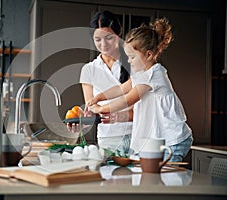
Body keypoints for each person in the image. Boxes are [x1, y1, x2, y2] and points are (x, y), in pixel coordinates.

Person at [87, 17, 193, 162]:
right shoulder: (140, 74)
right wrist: (99, 97)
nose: (129, 61)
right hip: (157, 139)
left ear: (149, 55)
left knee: (166, 179)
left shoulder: (155, 74)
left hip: (172, 140)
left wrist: (102, 109)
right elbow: (120, 89)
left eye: (132, 57)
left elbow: (128, 98)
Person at [79, 10, 133, 155]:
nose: (103, 44)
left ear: (118, 35)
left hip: (139, 134)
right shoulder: (89, 70)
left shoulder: (133, 62)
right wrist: (81, 120)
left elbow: (146, 108)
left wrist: (115, 114)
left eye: (109, 37)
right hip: (109, 138)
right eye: (98, 39)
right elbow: (92, 107)